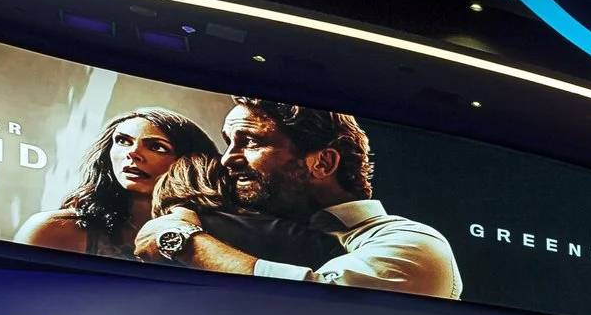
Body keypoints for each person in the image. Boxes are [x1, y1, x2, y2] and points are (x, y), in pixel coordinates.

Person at [133, 99, 463, 297]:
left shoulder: (413, 243)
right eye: (228, 142)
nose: (226, 159)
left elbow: (314, 299)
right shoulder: (256, 230)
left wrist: (182, 239)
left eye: (250, 142)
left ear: (323, 163)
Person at [17, 109, 222, 260]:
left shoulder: (221, 237)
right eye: (123, 141)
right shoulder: (52, 230)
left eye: (157, 147)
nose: (132, 153)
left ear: (191, 163)